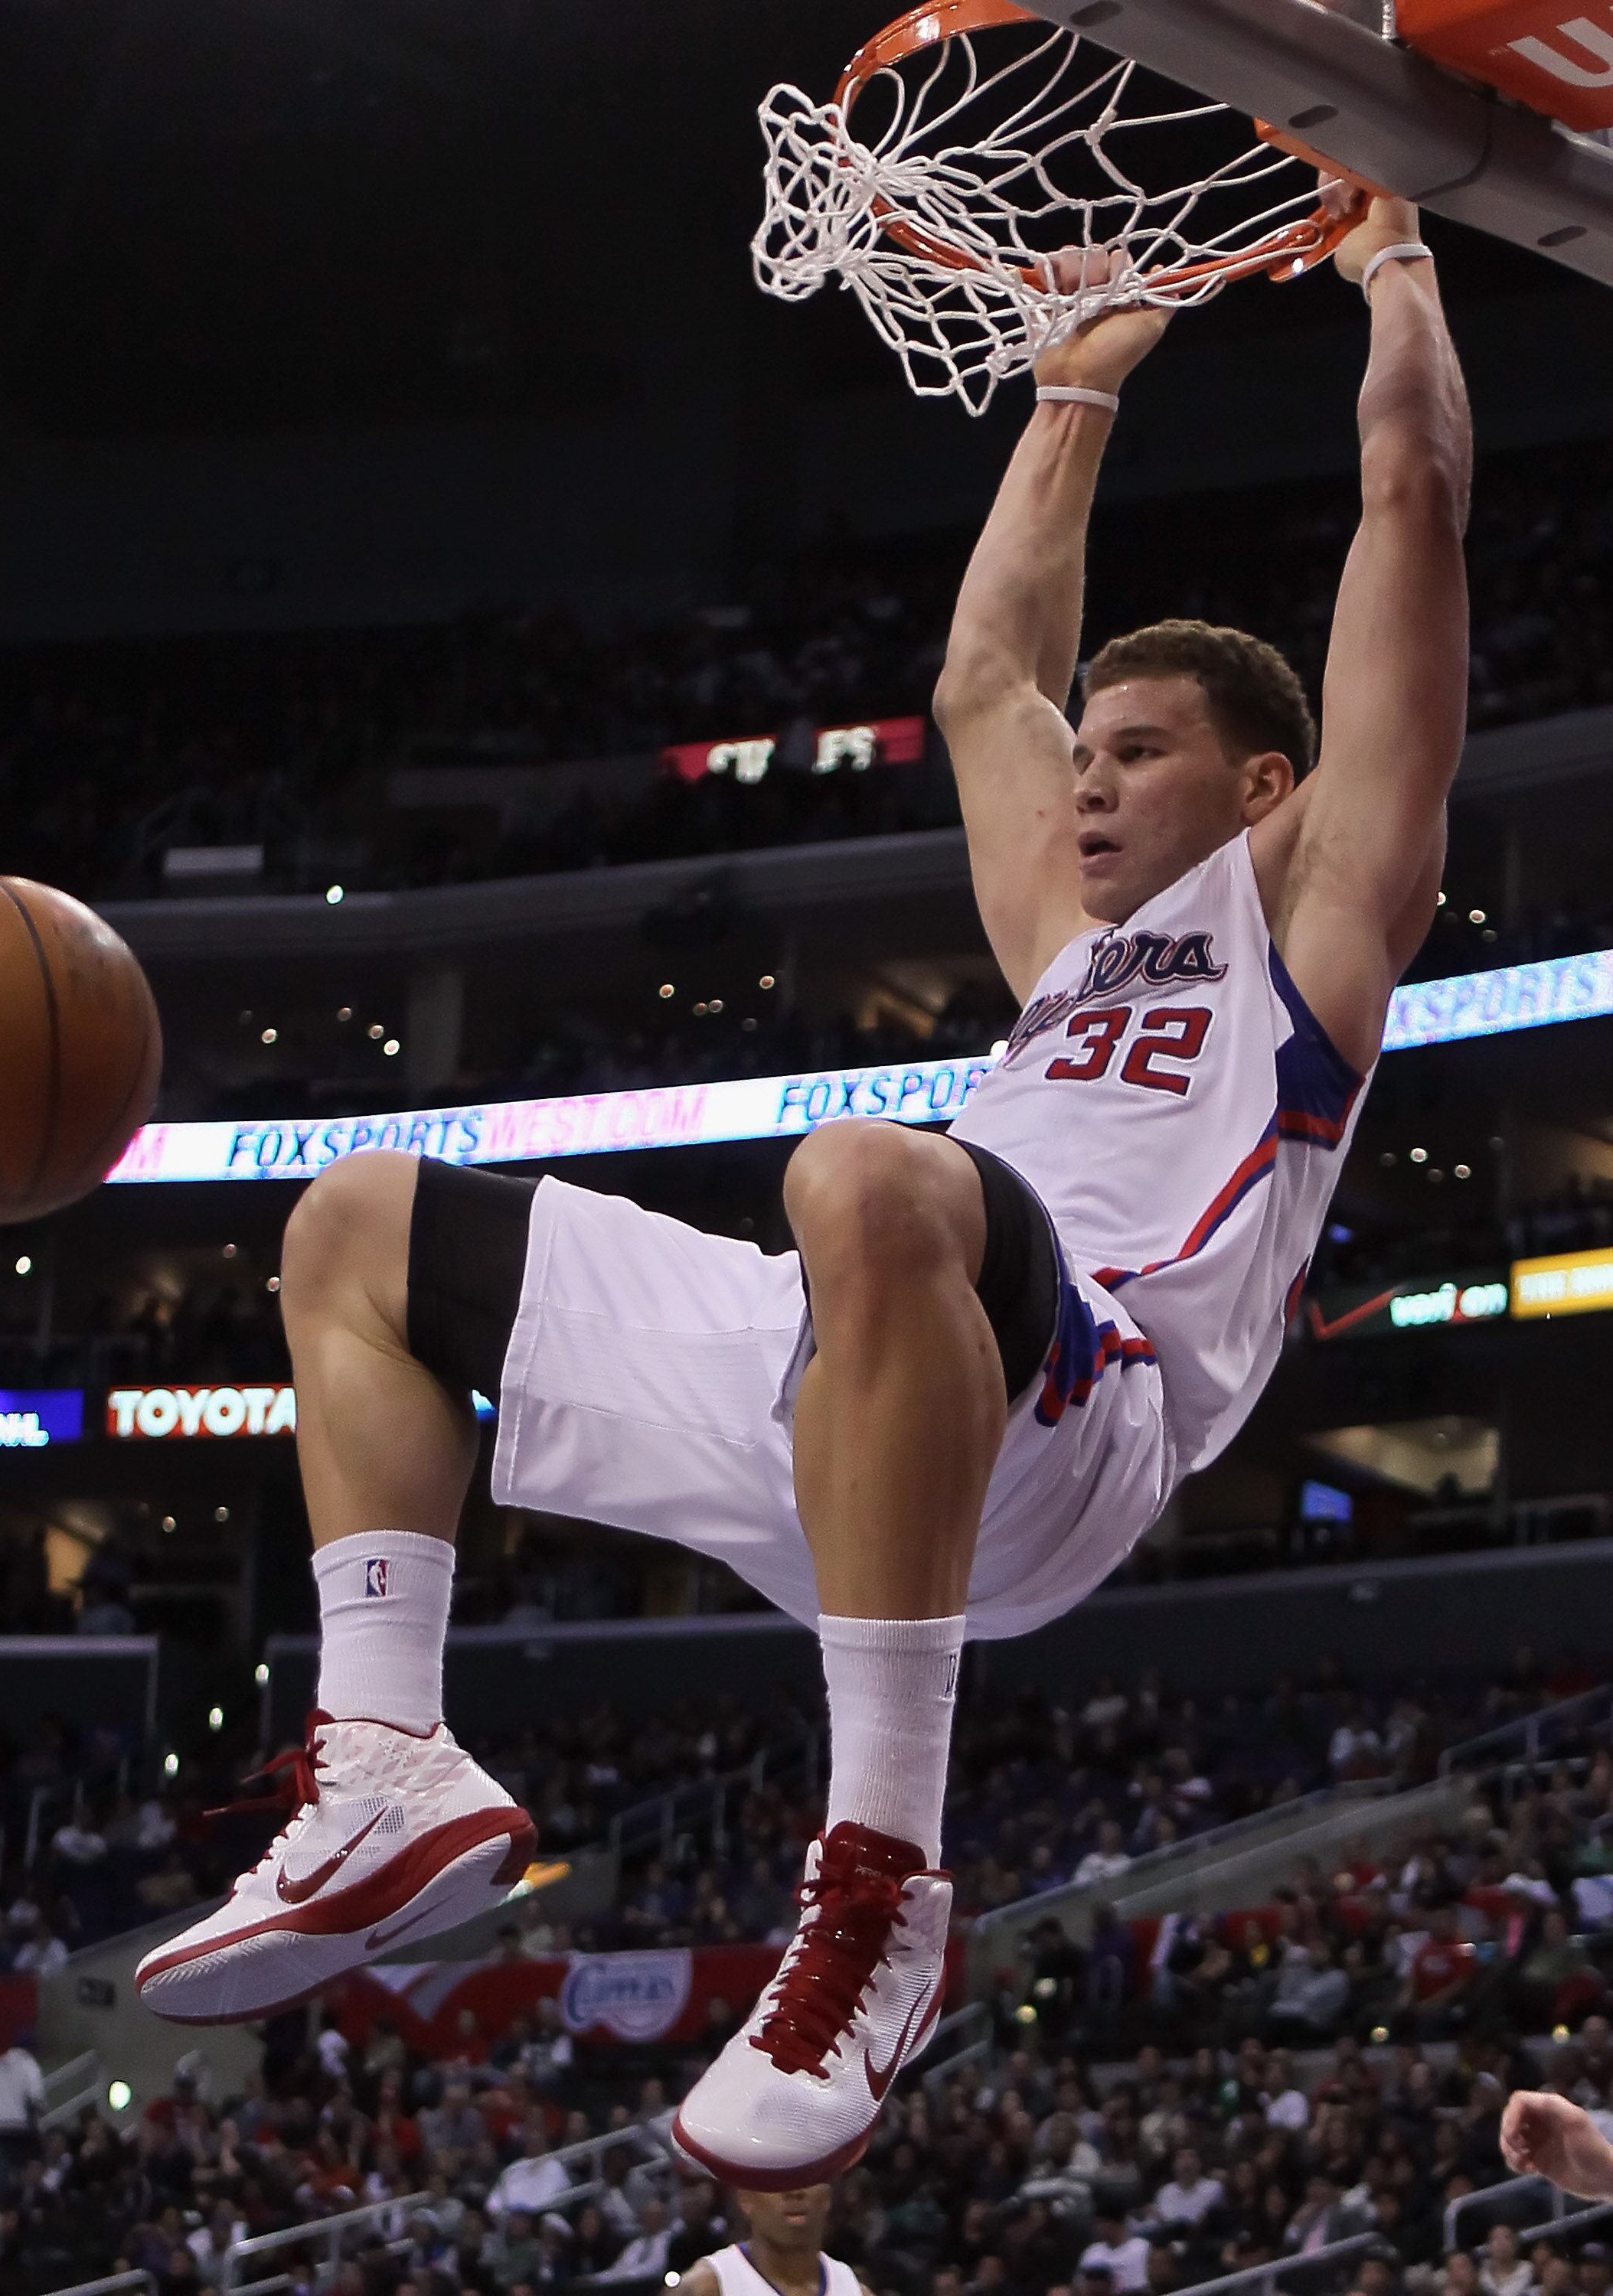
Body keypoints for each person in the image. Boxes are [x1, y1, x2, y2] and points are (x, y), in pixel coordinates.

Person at [134, 183, 1471, 2193]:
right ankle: (391, 1760)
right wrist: (1077, 395)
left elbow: (1412, 502)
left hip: (1075, 1426)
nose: (1082, 783)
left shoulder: (1323, 932)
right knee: (359, 1220)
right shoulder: (1069, 941)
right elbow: (980, 685)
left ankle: (882, 1891)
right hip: (854, 1374)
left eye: (1136, 754)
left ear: (1264, 789)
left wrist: (1396, 255)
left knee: (866, 1175)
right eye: (1084, 757)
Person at [676, 2184, 870, 2296]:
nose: (795, 2191)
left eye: (807, 2175)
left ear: (827, 2198)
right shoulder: (707, 2286)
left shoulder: (855, 2290)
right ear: (746, 2199)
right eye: (777, 2179)